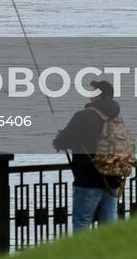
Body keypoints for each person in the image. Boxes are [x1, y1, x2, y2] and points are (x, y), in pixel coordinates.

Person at [52, 80, 123, 232]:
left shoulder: (83, 116)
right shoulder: (116, 117)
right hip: (112, 178)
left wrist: (61, 136)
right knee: (110, 225)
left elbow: (61, 143)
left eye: (94, 91)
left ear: (100, 96)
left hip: (88, 179)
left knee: (82, 224)